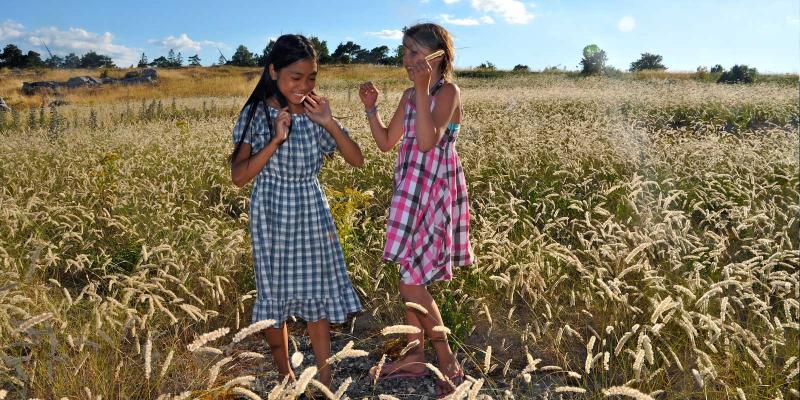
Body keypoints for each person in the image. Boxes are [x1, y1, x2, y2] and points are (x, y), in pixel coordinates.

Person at [230, 34, 364, 389]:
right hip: (271, 213)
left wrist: (329, 122)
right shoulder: (256, 114)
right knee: (274, 298)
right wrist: (275, 139)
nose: (304, 86)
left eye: (311, 78)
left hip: (310, 209)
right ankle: (285, 376)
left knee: (317, 298)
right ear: (273, 71)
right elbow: (239, 177)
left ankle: (324, 377)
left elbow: (357, 159)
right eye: (296, 77)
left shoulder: (314, 111)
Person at [359, 23, 474, 397]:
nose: (406, 59)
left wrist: (423, 91)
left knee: (412, 282)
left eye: (413, 52)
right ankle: (414, 355)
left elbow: (427, 141)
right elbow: (385, 142)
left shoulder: (448, 92)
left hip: (435, 192)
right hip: (409, 191)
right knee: (410, 277)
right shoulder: (410, 94)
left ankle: (448, 364)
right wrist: (371, 108)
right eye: (404, 51)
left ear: (437, 56)